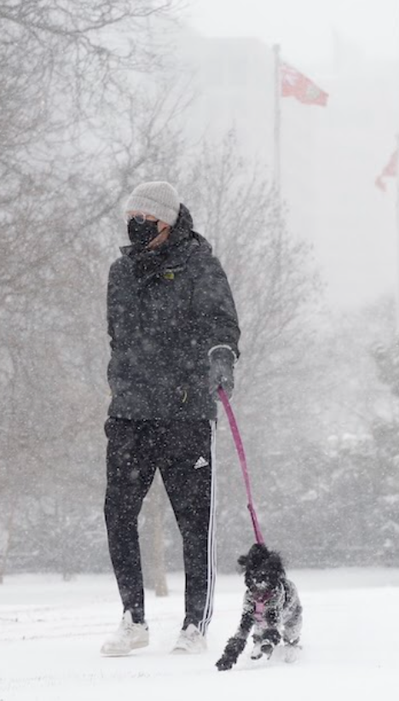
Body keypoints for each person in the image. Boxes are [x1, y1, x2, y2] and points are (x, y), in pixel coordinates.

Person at [100, 181, 240, 657]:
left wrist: (221, 356)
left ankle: (195, 624)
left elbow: (222, 322)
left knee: (194, 524)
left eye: (143, 219)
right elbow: (118, 337)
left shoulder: (200, 264)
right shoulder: (120, 272)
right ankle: (132, 618)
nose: (134, 226)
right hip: (130, 414)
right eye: (130, 219)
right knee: (118, 514)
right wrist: (122, 383)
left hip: (185, 414)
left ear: (166, 221)